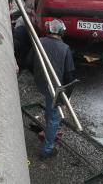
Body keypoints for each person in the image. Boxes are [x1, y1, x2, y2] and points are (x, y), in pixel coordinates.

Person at [27, 18, 75, 160]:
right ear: (62, 32)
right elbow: (69, 75)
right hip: (55, 87)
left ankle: (49, 125)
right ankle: (47, 149)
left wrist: (39, 74)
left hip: (41, 83)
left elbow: (29, 62)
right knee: (55, 116)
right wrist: (66, 94)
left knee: (50, 105)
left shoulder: (39, 42)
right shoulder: (65, 49)